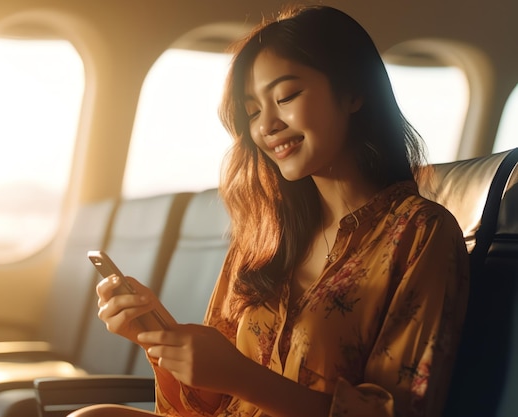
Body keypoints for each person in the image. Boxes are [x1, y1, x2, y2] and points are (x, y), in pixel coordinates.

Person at [75, 4, 469, 417]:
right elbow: (202, 408)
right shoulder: (265, 235)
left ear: (353, 93)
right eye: (253, 111)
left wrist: (241, 376)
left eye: (286, 96)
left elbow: (402, 411)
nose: (266, 126)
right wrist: (158, 337)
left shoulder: (421, 234)